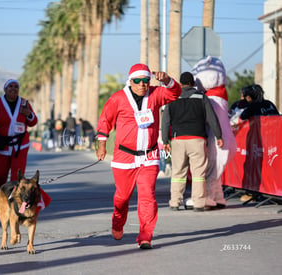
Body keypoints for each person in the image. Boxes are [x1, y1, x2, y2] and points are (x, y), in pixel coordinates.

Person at [96, 63, 181, 249]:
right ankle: (117, 223)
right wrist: (101, 145)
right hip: (124, 158)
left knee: (147, 197)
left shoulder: (156, 93)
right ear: (130, 81)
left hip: (149, 156)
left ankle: (145, 236)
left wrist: (167, 80)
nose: (142, 84)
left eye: (146, 80)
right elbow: (105, 121)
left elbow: (175, 93)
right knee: (122, 197)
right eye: (138, 81)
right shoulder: (118, 98)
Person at [161, 72, 223, 211]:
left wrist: (165, 140)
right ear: (193, 83)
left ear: (181, 84)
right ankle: (199, 203)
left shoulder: (172, 98)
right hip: (197, 139)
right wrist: (219, 136)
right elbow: (212, 118)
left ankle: (175, 202)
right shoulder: (202, 97)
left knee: (178, 172)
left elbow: (165, 120)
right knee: (198, 173)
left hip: (178, 140)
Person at [192, 56, 237, 209]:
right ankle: (219, 198)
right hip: (228, 139)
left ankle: (207, 198)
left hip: (218, 141)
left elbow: (207, 118)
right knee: (216, 172)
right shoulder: (221, 95)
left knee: (211, 170)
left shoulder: (209, 99)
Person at [0, 79, 38, 198]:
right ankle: (0, 198)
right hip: (3, 145)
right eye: (10, 86)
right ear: (5, 89)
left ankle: (15, 201)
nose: (13, 89)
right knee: (0, 176)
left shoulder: (24, 103)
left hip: (20, 145)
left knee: (17, 176)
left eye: (16, 86)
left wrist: (28, 114)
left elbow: (33, 122)